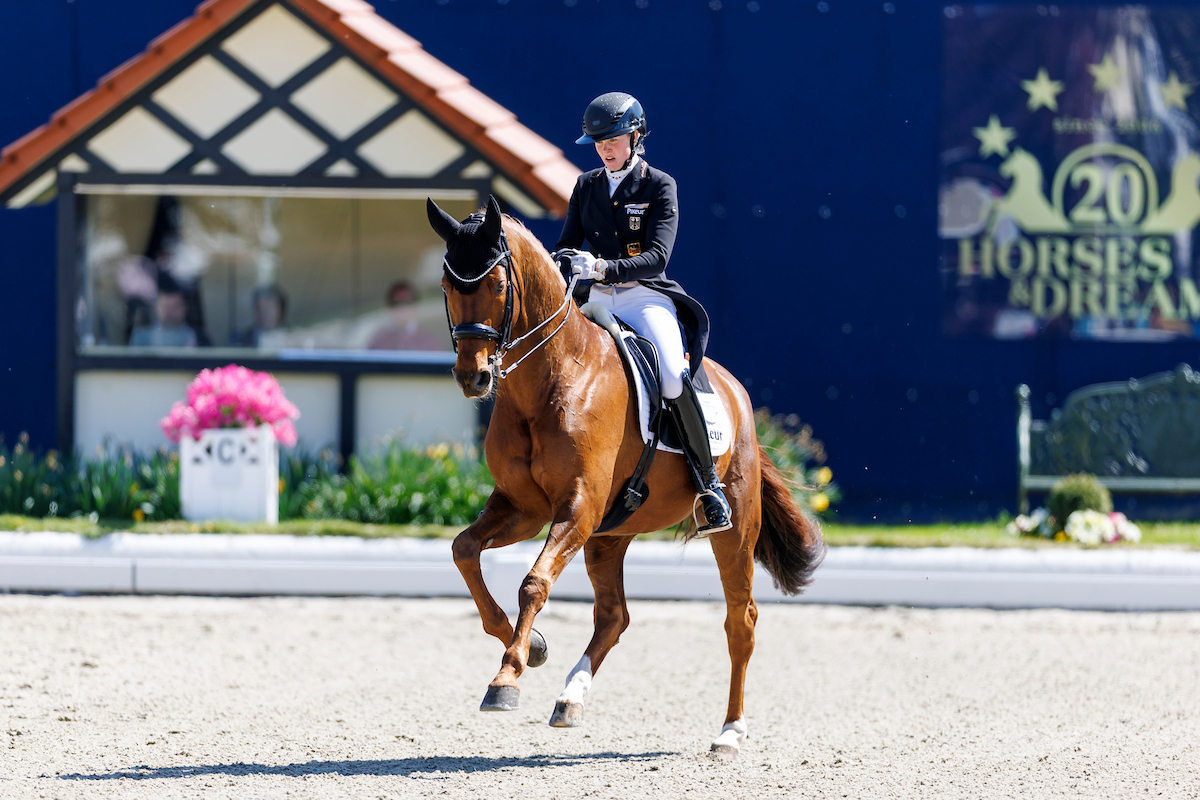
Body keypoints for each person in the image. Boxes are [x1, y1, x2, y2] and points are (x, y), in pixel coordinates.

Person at [555, 92, 731, 535]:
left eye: (613, 140)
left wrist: (602, 267)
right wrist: (566, 261)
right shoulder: (586, 185)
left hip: (644, 297)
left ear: (636, 137)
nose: (605, 150)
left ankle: (709, 485)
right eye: (598, 143)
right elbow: (567, 243)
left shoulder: (660, 185)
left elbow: (657, 257)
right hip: (598, 298)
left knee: (671, 373)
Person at [367, 281, 442, 351]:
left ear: (415, 306)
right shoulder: (379, 342)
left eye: (407, 302)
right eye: (396, 303)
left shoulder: (429, 342)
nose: (402, 308)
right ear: (389, 307)